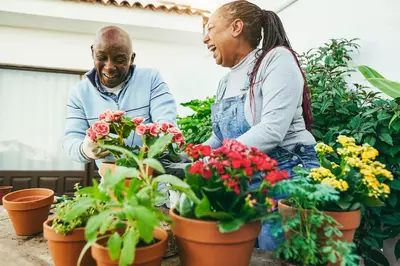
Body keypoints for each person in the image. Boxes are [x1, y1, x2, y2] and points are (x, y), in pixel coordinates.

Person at [202, 0, 319, 250]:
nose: (205, 38)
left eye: (210, 28)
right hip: (247, 179)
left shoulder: (276, 60)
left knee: (271, 249)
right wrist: (186, 157)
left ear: (236, 27)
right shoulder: (225, 82)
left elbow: (271, 130)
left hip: (287, 172)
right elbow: (218, 138)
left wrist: (212, 160)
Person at [63, 25, 177, 169]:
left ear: (132, 58)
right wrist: (84, 149)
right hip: (111, 184)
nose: (109, 66)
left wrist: (154, 147)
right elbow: (71, 140)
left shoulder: (151, 79)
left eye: (120, 59)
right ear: (92, 52)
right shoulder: (79, 93)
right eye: (101, 57)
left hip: (151, 183)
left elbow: (166, 124)